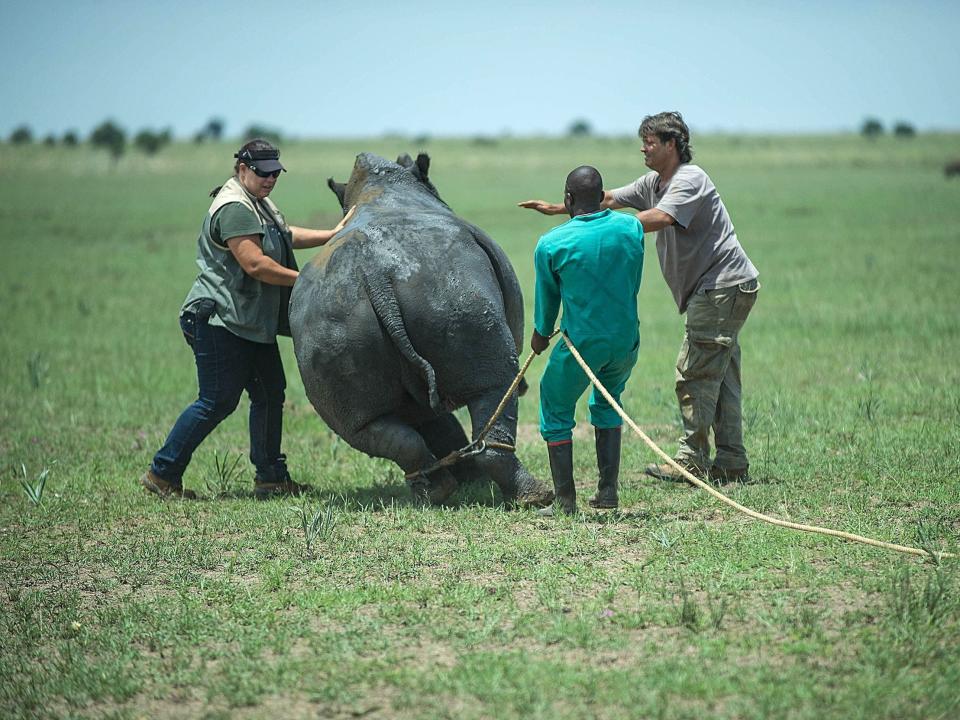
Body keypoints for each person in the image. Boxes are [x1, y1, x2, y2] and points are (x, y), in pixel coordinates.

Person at [520, 111, 759, 484]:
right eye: (643, 140)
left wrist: (590, 229)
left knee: (694, 371)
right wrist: (566, 210)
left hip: (721, 285)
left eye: (650, 141)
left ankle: (692, 459)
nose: (643, 147)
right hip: (717, 288)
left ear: (672, 145)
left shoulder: (690, 179)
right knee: (721, 373)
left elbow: (661, 218)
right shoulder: (653, 181)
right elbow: (609, 198)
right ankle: (731, 461)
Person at [141, 139, 354, 499]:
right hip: (218, 321)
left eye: (275, 173)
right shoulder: (235, 208)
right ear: (242, 169)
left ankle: (271, 477)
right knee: (217, 401)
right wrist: (308, 280)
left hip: (248, 321)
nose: (270, 179)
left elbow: (283, 235)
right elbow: (255, 264)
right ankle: (163, 473)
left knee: (271, 393)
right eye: (263, 172)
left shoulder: (257, 201)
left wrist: (331, 235)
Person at [529, 166, 644, 515]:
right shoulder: (633, 228)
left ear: (567, 199)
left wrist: (540, 336)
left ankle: (565, 501)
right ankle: (607, 493)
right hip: (626, 341)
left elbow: (547, 302)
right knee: (609, 402)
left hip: (582, 345)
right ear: (602, 195)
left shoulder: (551, 244)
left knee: (555, 402)